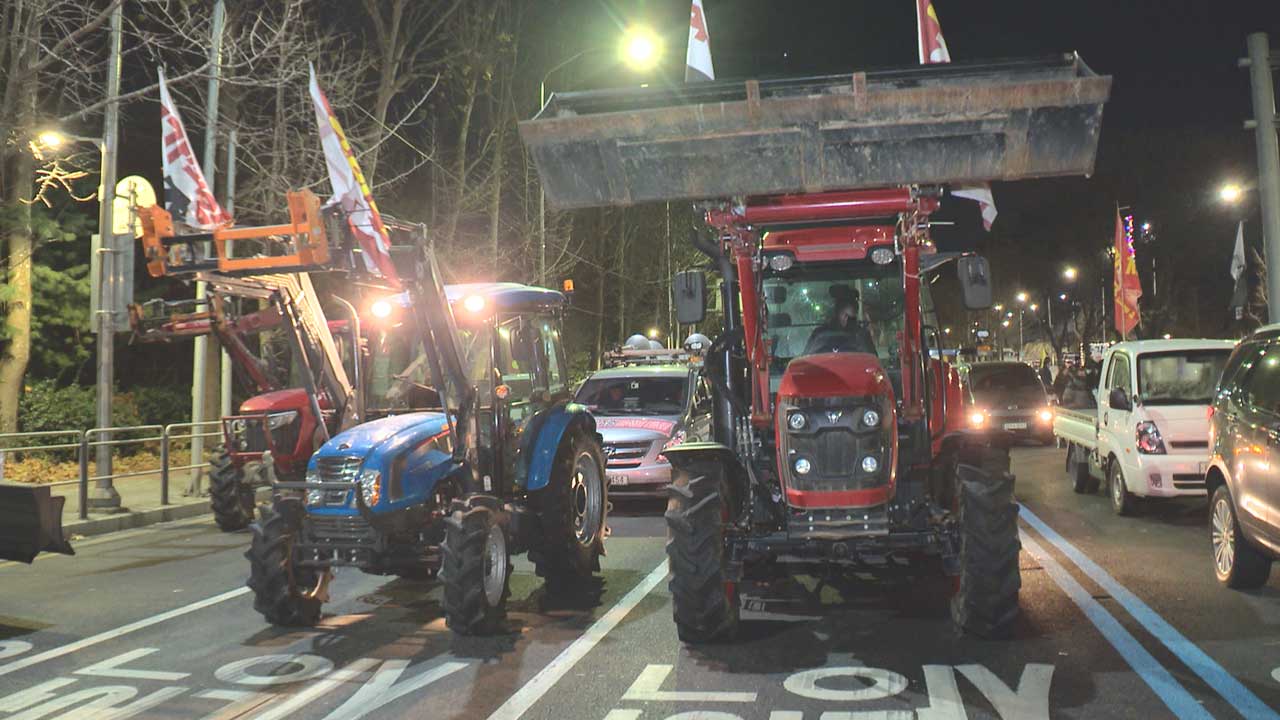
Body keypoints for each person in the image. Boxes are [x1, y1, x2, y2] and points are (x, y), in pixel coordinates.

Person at [802, 290, 877, 356]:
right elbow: (806, 360)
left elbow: (873, 361)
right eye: (845, 315)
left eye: (851, 318)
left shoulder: (861, 335)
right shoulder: (820, 334)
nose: (847, 320)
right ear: (837, 313)